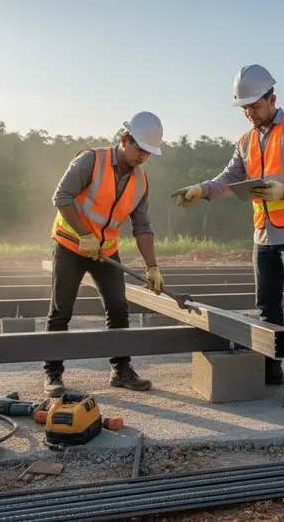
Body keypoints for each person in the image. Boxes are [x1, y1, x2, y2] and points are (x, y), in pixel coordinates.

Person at [171, 65, 284, 409]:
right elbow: (229, 178)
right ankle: (272, 370)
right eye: (244, 108)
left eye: (254, 107)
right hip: (264, 236)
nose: (249, 114)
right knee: (267, 308)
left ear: (272, 98)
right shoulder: (246, 141)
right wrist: (201, 189)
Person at [44, 111, 167, 397]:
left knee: (118, 308)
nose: (143, 158)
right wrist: (84, 235)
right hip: (70, 245)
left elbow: (143, 227)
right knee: (61, 311)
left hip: (106, 250)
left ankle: (121, 370)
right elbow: (61, 197)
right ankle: (53, 374)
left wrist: (152, 267)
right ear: (125, 139)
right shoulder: (91, 160)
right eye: (140, 150)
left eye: (149, 153)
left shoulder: (140, 182)